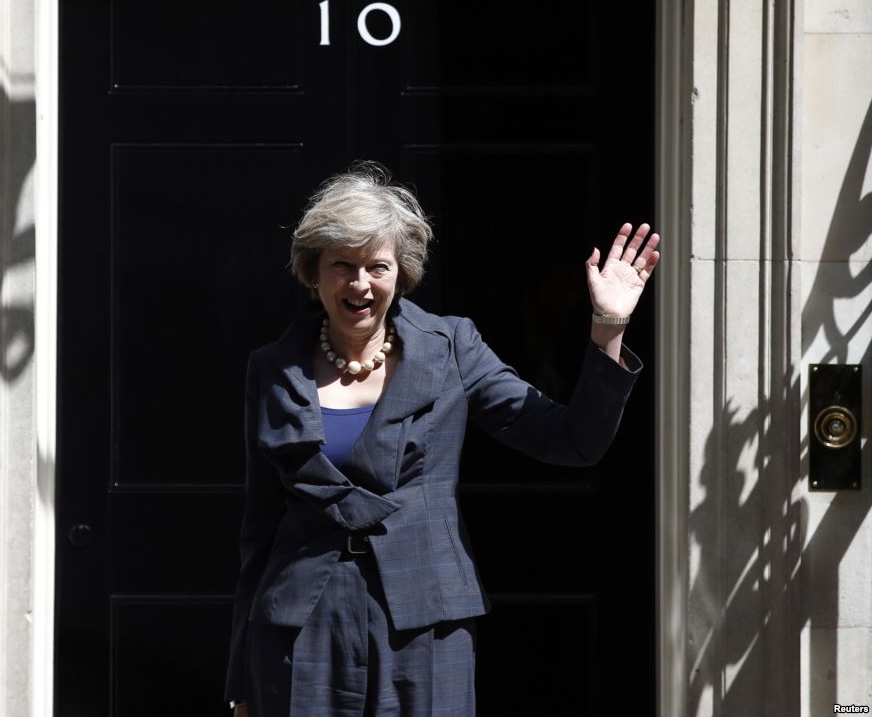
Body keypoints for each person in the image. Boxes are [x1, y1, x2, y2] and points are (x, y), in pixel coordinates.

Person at [225, 162, 660, 716]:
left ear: (401, 273)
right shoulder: (272, 368)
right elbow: (259, 529)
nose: (359, 284)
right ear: (314, 272)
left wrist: (608, 328)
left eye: (376, 267)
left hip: (422, 617)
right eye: (342, 266)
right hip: (301, 623)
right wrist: (240, 675)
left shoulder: (452, 347)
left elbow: (571, 440)